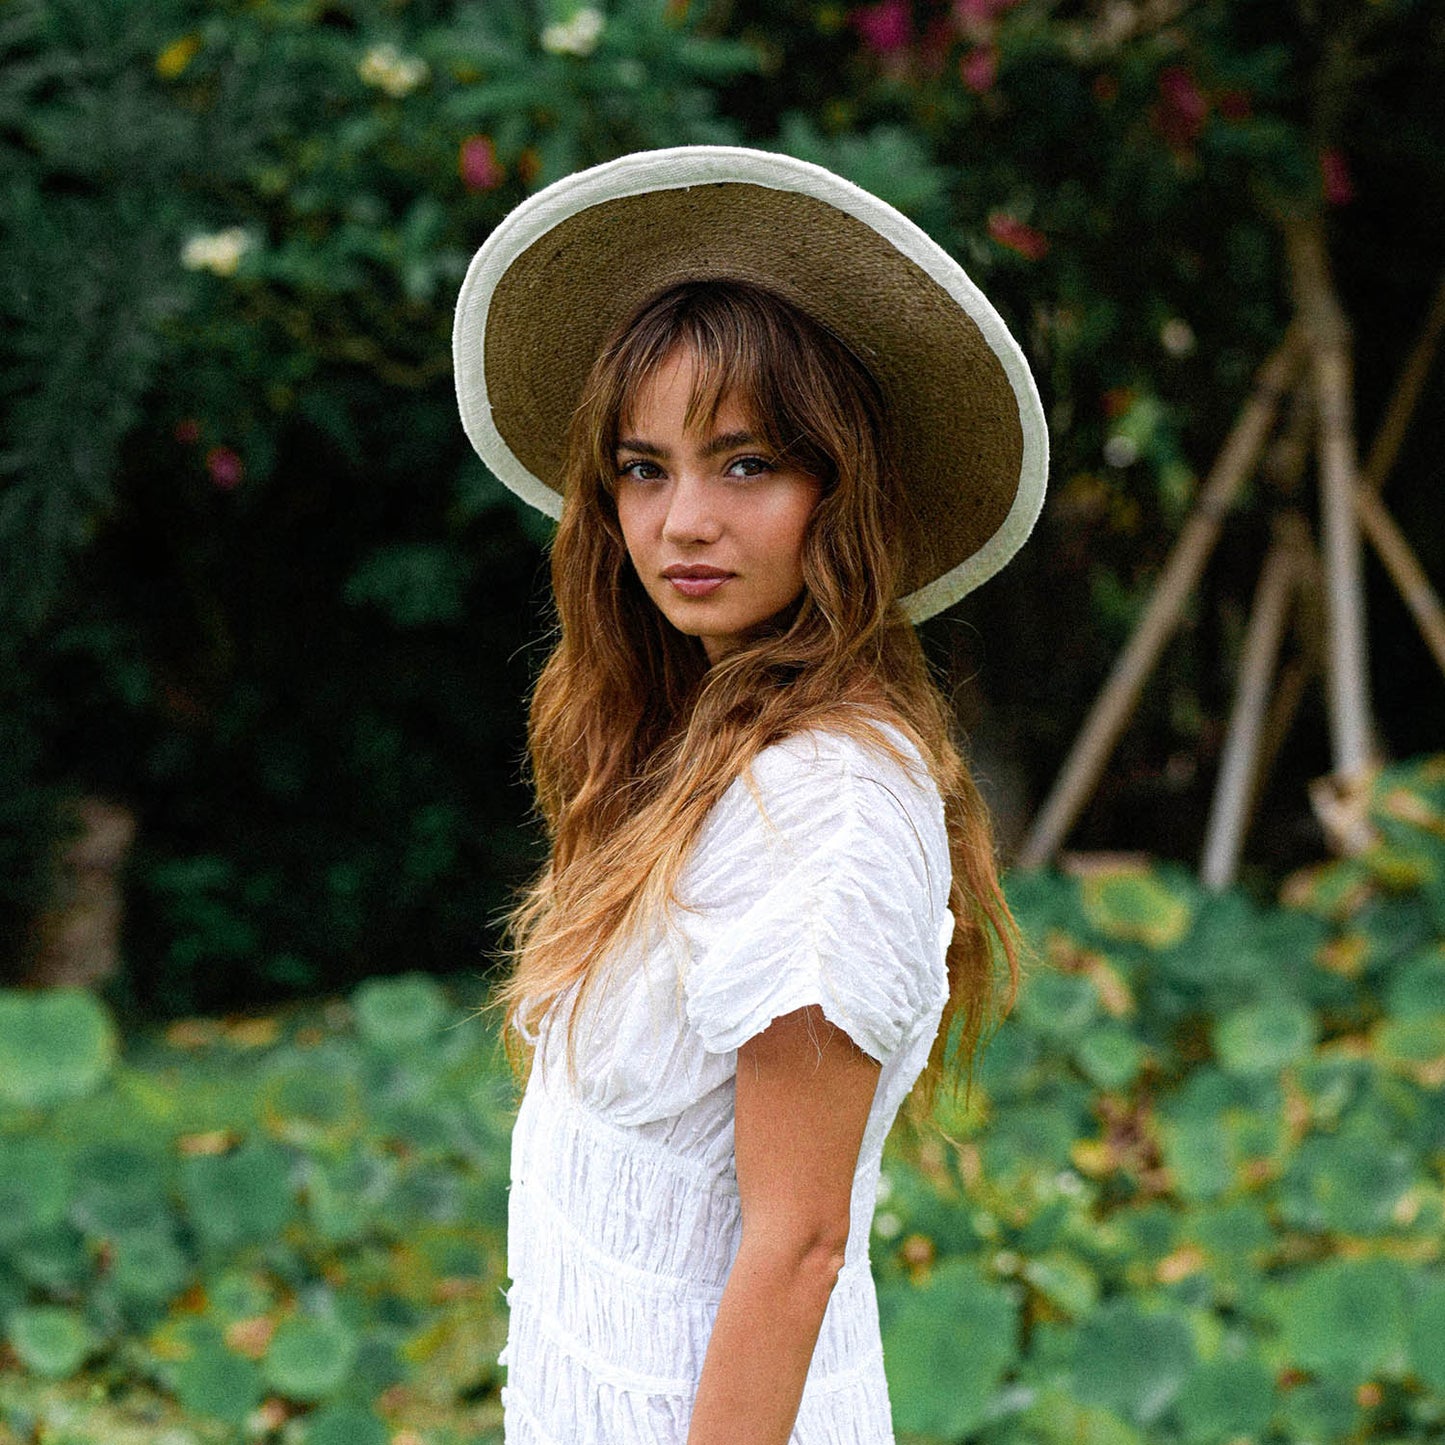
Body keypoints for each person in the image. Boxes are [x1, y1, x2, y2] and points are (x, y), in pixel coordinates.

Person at [452, 146, 1048, 1445]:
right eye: (643, 467)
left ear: (840, 487)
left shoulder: (824, 802)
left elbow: (797, 1244)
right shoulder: (710, 767)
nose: (681, 524)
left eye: (744, 464)